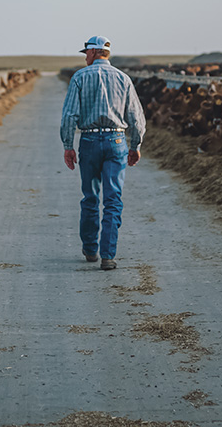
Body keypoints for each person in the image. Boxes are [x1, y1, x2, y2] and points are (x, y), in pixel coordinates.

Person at [60, 35, 147, 271]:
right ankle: (108, 255)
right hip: (116, 140)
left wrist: (68, 145)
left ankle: (90, 249)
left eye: (85, 53)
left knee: (90, 196)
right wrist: (135, 146)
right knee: (113, 198)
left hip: (88, 141)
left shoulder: (79, 77)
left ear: (93, 52)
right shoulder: (123, 78)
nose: (85, 57)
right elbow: (137, 118)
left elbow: (69, 116)